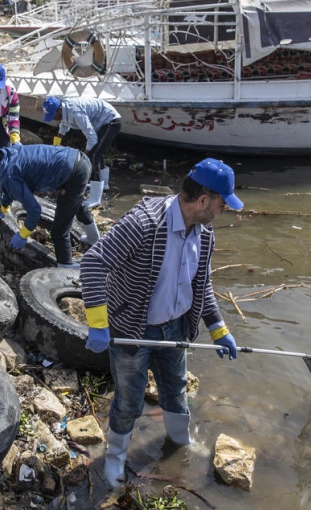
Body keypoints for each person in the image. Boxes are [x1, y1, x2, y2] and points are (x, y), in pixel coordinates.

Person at [79, 158, 244, 489]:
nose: (224, 210)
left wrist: (219, 329)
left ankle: (178, 447)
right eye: (222, 203)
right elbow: (93, 263)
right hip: (132, 331)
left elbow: (202, 285)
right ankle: (114, 458)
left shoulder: (205, 233)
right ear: (203, 200)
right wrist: (98, 323)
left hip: (176, 330)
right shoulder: (144, 223)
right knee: (129, 401)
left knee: (177, 392)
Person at [0, 144, 99, 268]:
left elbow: (35, 210)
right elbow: (11, 186)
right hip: (78, 159)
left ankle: (66, 267)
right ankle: (94, 239)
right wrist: (3, 207)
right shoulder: (5, 159)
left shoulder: (6, 176)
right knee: (76, 204)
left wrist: (23, 234)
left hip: (73, 173)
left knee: (59, 230)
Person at [42, 96, 121, 208]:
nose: (53, 118)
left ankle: (95, 198)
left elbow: (92, 138)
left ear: (59, 109)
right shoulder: (64, 110)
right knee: (97, 151)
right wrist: (56, 144)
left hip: (111, 121)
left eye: (53, 115)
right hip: (100, 122)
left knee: (93, 156)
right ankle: (104, 185)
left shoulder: (75, 112)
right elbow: (63, 125)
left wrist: (84, 156)